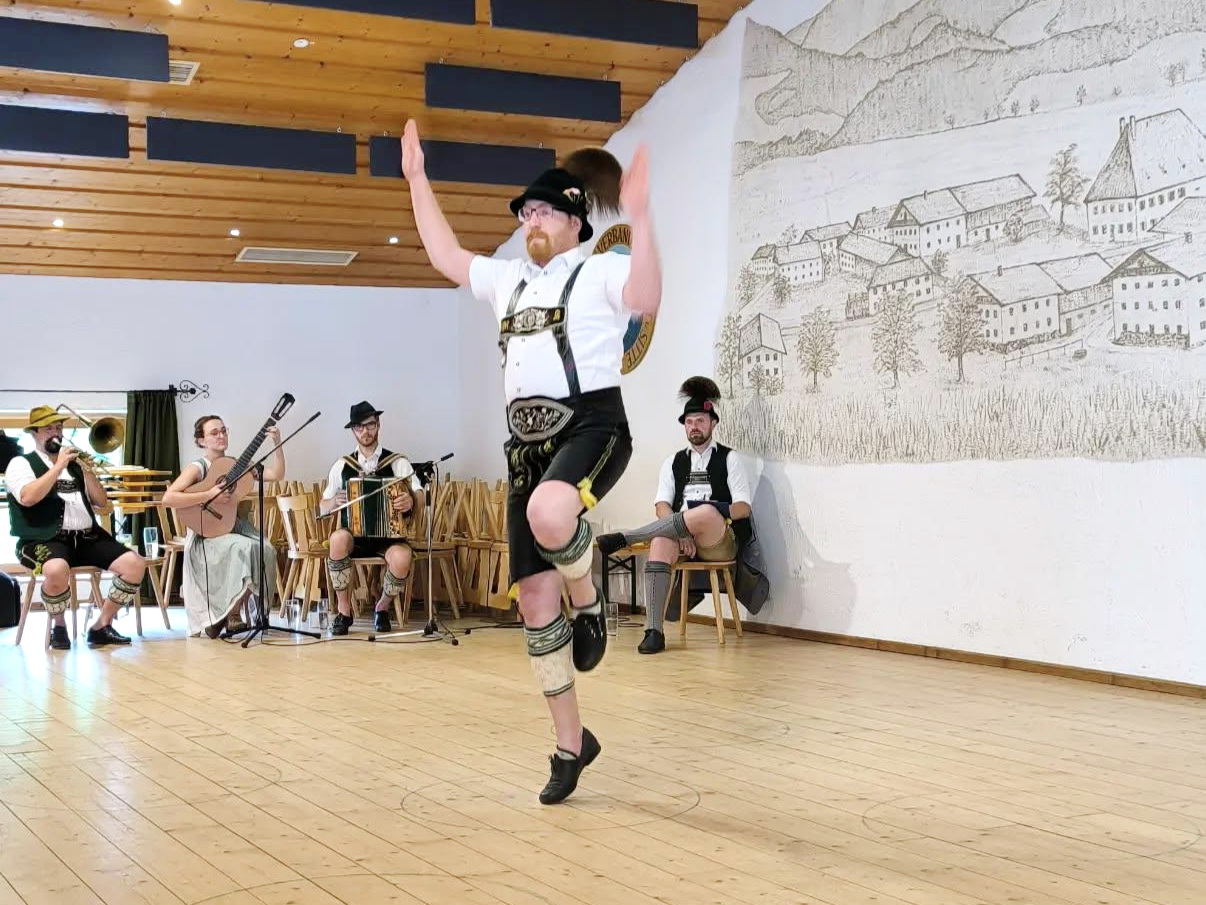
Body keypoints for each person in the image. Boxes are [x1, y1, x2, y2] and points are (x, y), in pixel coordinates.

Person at [402, 119, 661, 803]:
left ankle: (591, 601)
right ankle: (572, 745)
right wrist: (417, 179)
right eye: (524, 214)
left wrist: (641, 216)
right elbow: (445, 254)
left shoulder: (601, 269)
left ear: (575, 220)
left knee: (552, 513)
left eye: (543, 211)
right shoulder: (507, 280)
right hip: (524, 444)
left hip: (593, 424)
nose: (530, 221)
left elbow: (646, 297)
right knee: (535, 604)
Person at [596, 378, 753, 654]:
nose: (694, 426)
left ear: (713, 423)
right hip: (684, 538)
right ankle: (653, 632)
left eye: (701, 421)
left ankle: (628, 537)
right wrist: (680, 532)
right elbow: (661, 507)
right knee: (659, 542)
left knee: (705, 511)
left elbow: (743, 508)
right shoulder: (673, 462)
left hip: (719, 538)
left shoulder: (730, 459)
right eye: (689, 422)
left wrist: (709, 513)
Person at [6, 405, 146, 649]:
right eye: (48, 429)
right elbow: (28, 498)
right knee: (56, 569)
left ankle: (101, 625)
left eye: (58, 428)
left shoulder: (75, 466)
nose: (55, 433)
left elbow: (101, 502)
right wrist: (57, 467)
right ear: (34, 433)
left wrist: (87, 471)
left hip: (86, 537)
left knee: (134, 565)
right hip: (42, 538)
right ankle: (59, 627)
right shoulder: (21, 463)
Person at [162, 415, 283, 638]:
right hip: (206, 533)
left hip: (233, 525)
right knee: (242, 548)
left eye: (224, 431)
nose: (221, 435)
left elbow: (275, 475)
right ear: (201, 441)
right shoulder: (198, 468)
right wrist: (208, 495)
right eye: (214, 433)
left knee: (265, 549)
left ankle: (246, 614)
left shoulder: (237, 465)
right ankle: (230, 614)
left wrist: (277, 444)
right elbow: (168, 499)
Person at [319, 401, 422, 635]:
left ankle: (382, 607)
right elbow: (322, 505)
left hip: (389, 536)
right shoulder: (342, 466)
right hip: (353, 536)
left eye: (370, 425)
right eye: (359, 427)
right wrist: (332, 503)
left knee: (402, 557)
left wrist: (410, 501)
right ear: (353, 431)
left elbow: (418, 493)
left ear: (378, 425)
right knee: (337, 540)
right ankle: (344, 611)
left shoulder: (397, 462)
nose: (365, 431)